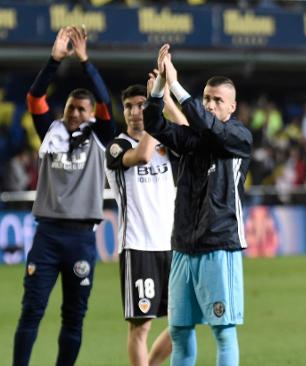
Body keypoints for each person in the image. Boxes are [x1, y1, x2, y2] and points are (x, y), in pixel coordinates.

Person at [143, 44, 252, 366]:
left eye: (218, 100)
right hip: (183, 246)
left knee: (222, 330)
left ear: (232, 106)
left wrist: (176, 87)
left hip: (218, 245)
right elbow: (155, 124)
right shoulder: (193, 141)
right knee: (178, 330)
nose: (210, 104)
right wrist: (161, 86)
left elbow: (209, 126)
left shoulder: (237, 137)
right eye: (207, 98)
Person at [12, 26, 115, 366]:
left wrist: (85, 62)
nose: (74, 114)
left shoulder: (100, 136)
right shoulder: (51, 131)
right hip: (48, 236)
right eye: (71, 107)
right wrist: (54, 61)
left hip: (82, 238)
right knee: (31, 312)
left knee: (74, 317)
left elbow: (106, 102)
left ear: (90, 114)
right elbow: (34, 98)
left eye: (81, 110)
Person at [104, 75, 188, 366]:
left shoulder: (165, 141)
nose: (134, 111)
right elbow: (141, 157)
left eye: (141, 105)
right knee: (141, 326)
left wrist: (164, 100)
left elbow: (188, 132)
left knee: (183, 321)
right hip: (138, 246)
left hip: (172, 245)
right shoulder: (116, 147)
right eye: (129, 106)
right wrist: (156, 114)